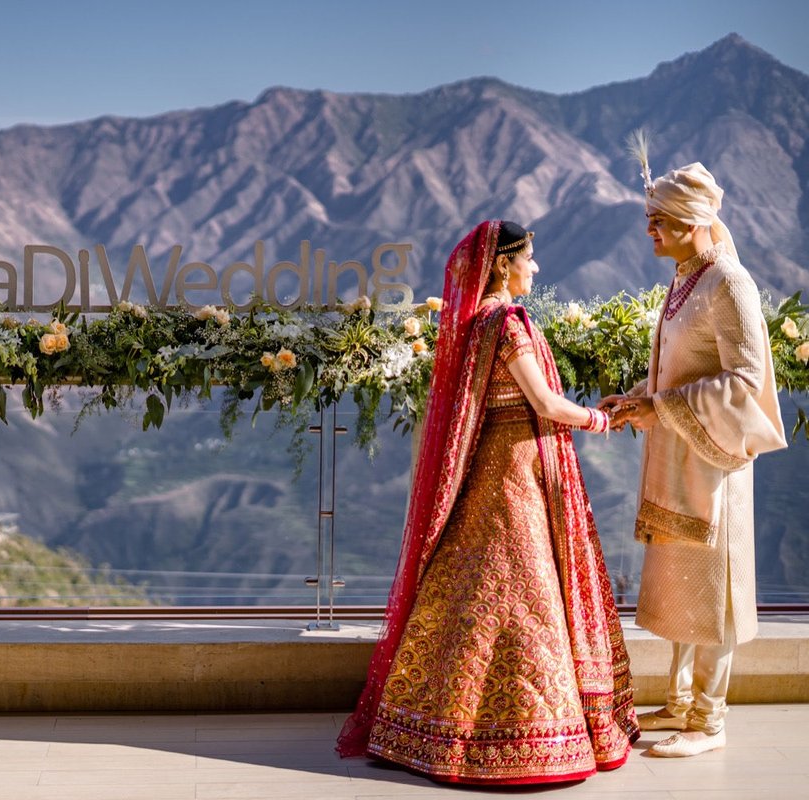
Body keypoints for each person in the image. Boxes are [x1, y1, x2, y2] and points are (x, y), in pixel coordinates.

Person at [337, 220, 639, 784]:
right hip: (516, 473)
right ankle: (528, 736)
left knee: (481, 587)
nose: (537, 268)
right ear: (503, 264)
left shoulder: (475, 324)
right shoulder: (508, 322)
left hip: (491, 468)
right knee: (525, 593)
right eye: (531, 258)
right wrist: (602, 419)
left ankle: (431, 726)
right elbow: (546, 403)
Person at [601, 154, 786, 758]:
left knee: (716, 586)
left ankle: (710, 719)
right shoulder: (686, 278)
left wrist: (662, 409)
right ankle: (679, 701)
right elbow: (682, 367)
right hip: (678, 454)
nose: (648, 229)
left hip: (713, 460)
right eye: (649, 217)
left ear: (692, 220)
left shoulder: (728, 281)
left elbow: (745, 380)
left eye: (658, 219)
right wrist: (638, 399)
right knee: (684, 579)